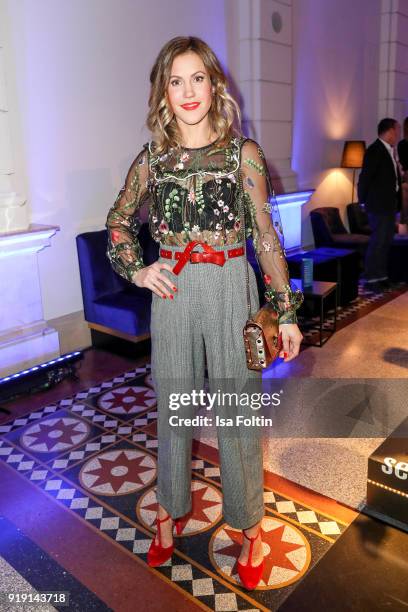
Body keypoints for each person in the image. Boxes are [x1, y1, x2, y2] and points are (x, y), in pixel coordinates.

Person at [105, 36, 303, 590]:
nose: (188, 91)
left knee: (237, 417)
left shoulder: (245, 155)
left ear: (214, 85)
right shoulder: (151, 160)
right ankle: (170, 511)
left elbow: (266, 237)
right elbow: (118, 220)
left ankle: (250, 528)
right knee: (174, 413)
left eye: (197, 78)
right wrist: (139, 269)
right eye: (176, 81)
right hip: (172, 292)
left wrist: (284, 312)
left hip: (231, 288)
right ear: (163, 94)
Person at [358, 117, 402, 292]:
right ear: (389, 131)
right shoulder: (375, 150)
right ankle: (371, 278)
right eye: (396, 130)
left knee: (385, 242)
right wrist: (362, 201)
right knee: (378, 242)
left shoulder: (389, 150)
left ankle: (382, 277)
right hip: (378, 206)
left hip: (388, 205)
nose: (398, 134)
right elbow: (365, 178)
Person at [397, 116, 408, 233]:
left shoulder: (401, 144)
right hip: (406, 178)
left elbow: (403, 162)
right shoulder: (402, 144)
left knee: (404, 216)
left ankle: (403, 232)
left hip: (405, 178)